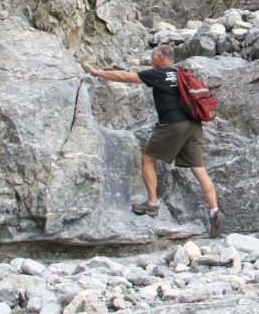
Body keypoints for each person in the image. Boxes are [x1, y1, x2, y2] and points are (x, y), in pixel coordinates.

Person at [81, 45, 220, 237]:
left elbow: (124, 77)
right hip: (194, 125)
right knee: (199, 169)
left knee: (148, 159)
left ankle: (152, 204)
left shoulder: (159, 74)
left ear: (160, 57)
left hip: (174, 124)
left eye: (152, 57)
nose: (150, 61)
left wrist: (97, 72)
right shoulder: (182, 73)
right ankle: (214, 210)